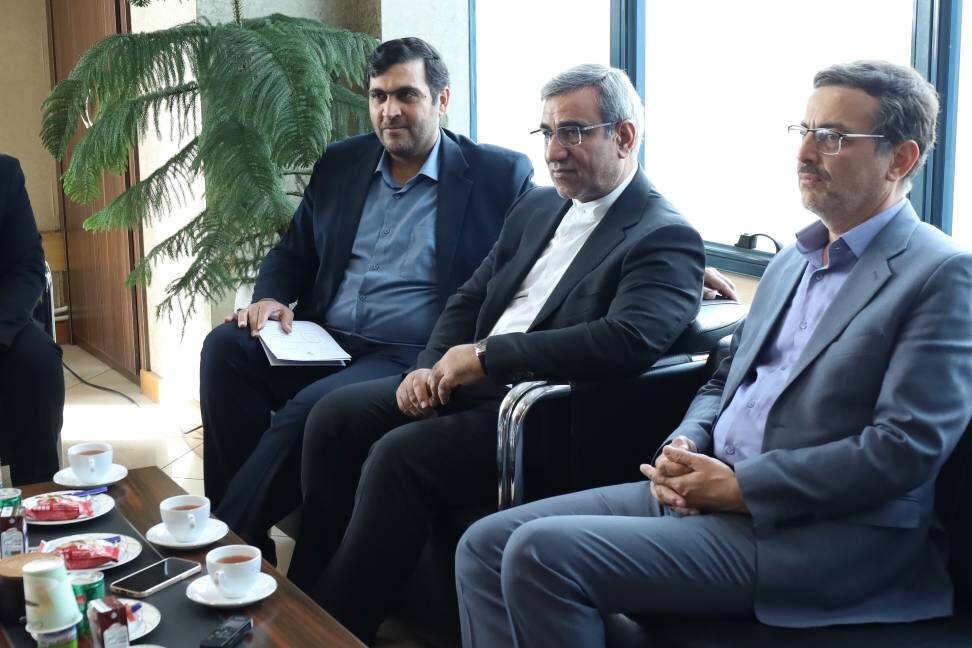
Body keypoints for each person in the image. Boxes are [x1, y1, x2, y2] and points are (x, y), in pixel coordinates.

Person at [454, 60, 972, 647]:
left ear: (900, 159)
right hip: (710, 491)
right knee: (483, 545)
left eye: (832, 137)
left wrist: (742, 487)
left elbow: (904, 449)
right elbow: (721, 381)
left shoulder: (941, 274)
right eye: (804, 131)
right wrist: (687, 441)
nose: (804, 153)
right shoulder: (793, 261)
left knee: (540, 554)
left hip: (818, 535)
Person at [291, 63, 708, 643]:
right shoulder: (538, 206)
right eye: (547, 133)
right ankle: (299, 598)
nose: (554, 151)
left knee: (399, 456)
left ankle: (332, 630)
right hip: (470, 382)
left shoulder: (664, 234)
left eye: (573, 132)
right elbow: (470, 296)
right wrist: (428, 366)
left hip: (540, 415)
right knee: (333, 417)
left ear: (624, 136)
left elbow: (626, 341)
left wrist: (487, 357)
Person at [200, 37, 534, 559]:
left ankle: (221, 544)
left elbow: (545, 250)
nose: (389, 111)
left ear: (442, 100)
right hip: (323, 339)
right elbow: (294, 250)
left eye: (406, 95)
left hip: (407, 351)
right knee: (225, 348)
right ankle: (251, 545)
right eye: (379, 96)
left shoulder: (497, 175)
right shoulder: (342, 163)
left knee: (310, 409)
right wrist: (271, 297)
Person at [0, 154, 64, 485]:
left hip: (2, 322)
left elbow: (28, 268)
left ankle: (38, 498)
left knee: (38, 360)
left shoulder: (5, 174)